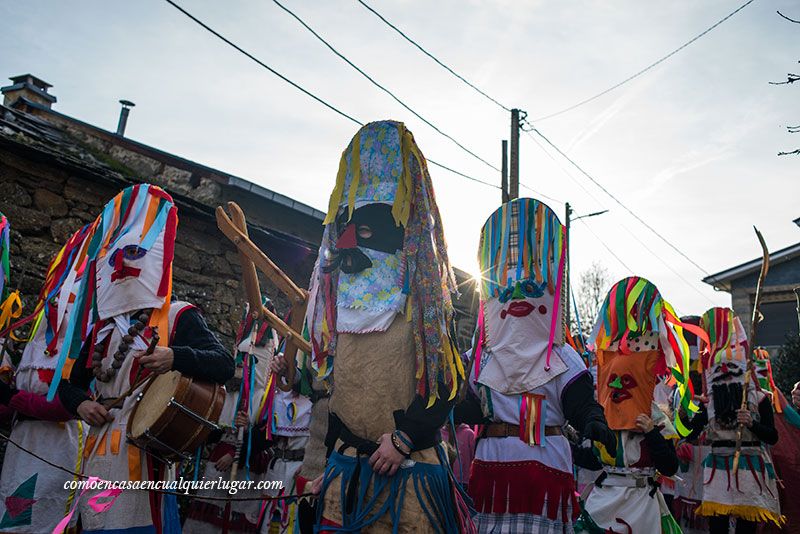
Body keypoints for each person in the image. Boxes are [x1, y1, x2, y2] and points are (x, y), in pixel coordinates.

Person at [306, 121, 471, 532]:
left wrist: (403, 439)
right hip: (345, 475)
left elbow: (447, 384)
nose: (350, 245)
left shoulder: (423, 306)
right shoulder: (336, 308)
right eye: (346, 230)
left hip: (407, 477)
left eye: (364, 231)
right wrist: (327, 465)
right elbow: (337, 395)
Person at [54, 184, 233, 534]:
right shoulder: (101, 326)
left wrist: (174, 356)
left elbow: (224, 363)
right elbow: (68, 386)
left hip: (144, 452)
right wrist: (80, 405)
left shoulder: (178, 316)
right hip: (97, 449)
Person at [455, 197, 616, 533]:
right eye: (506, 291)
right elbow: (463, 405)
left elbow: (580, 403)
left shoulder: (561, 356)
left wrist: (594, 420)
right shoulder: (481, 356)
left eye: (529, 289)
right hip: (492, 474)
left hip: (543, 475)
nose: (517, 300)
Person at [578, 276, 688, 533]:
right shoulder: (604, 412)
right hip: (604, 501)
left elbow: (670, 466)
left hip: (642, 505)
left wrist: (651, 432)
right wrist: (570, 437)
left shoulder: (656, 418)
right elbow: (593, 461)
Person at [0, 214, 88, 533]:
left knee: (40, 523)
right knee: (12, 521)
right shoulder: (35, 342)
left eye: (64, 304)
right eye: (51, 302)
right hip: (23, 445)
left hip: (57, 447)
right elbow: (13, 407)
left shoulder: (78, 349)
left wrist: (11, 396)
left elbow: (65, 406)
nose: (53, 309)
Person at [184, 299, 279, 534]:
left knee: (236, 519)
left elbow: (269, 435)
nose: (246, 365)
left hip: (248, 463)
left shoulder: (270, 399)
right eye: (243, 359)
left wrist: (243, 442)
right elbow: (215, 427)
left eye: (252, 361)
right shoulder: (229, 392)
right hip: (220, 460)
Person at [690, 307, 783, 532]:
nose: (725, 374)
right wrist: (684, 415)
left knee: (746, 528)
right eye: (719, 371)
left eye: (731, 368)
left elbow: (772, 437)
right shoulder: (709, 400)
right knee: (718, 527)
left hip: (749, 466)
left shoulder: (759, 398)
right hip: (718, 469)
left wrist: (752, 422)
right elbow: (691, 432)